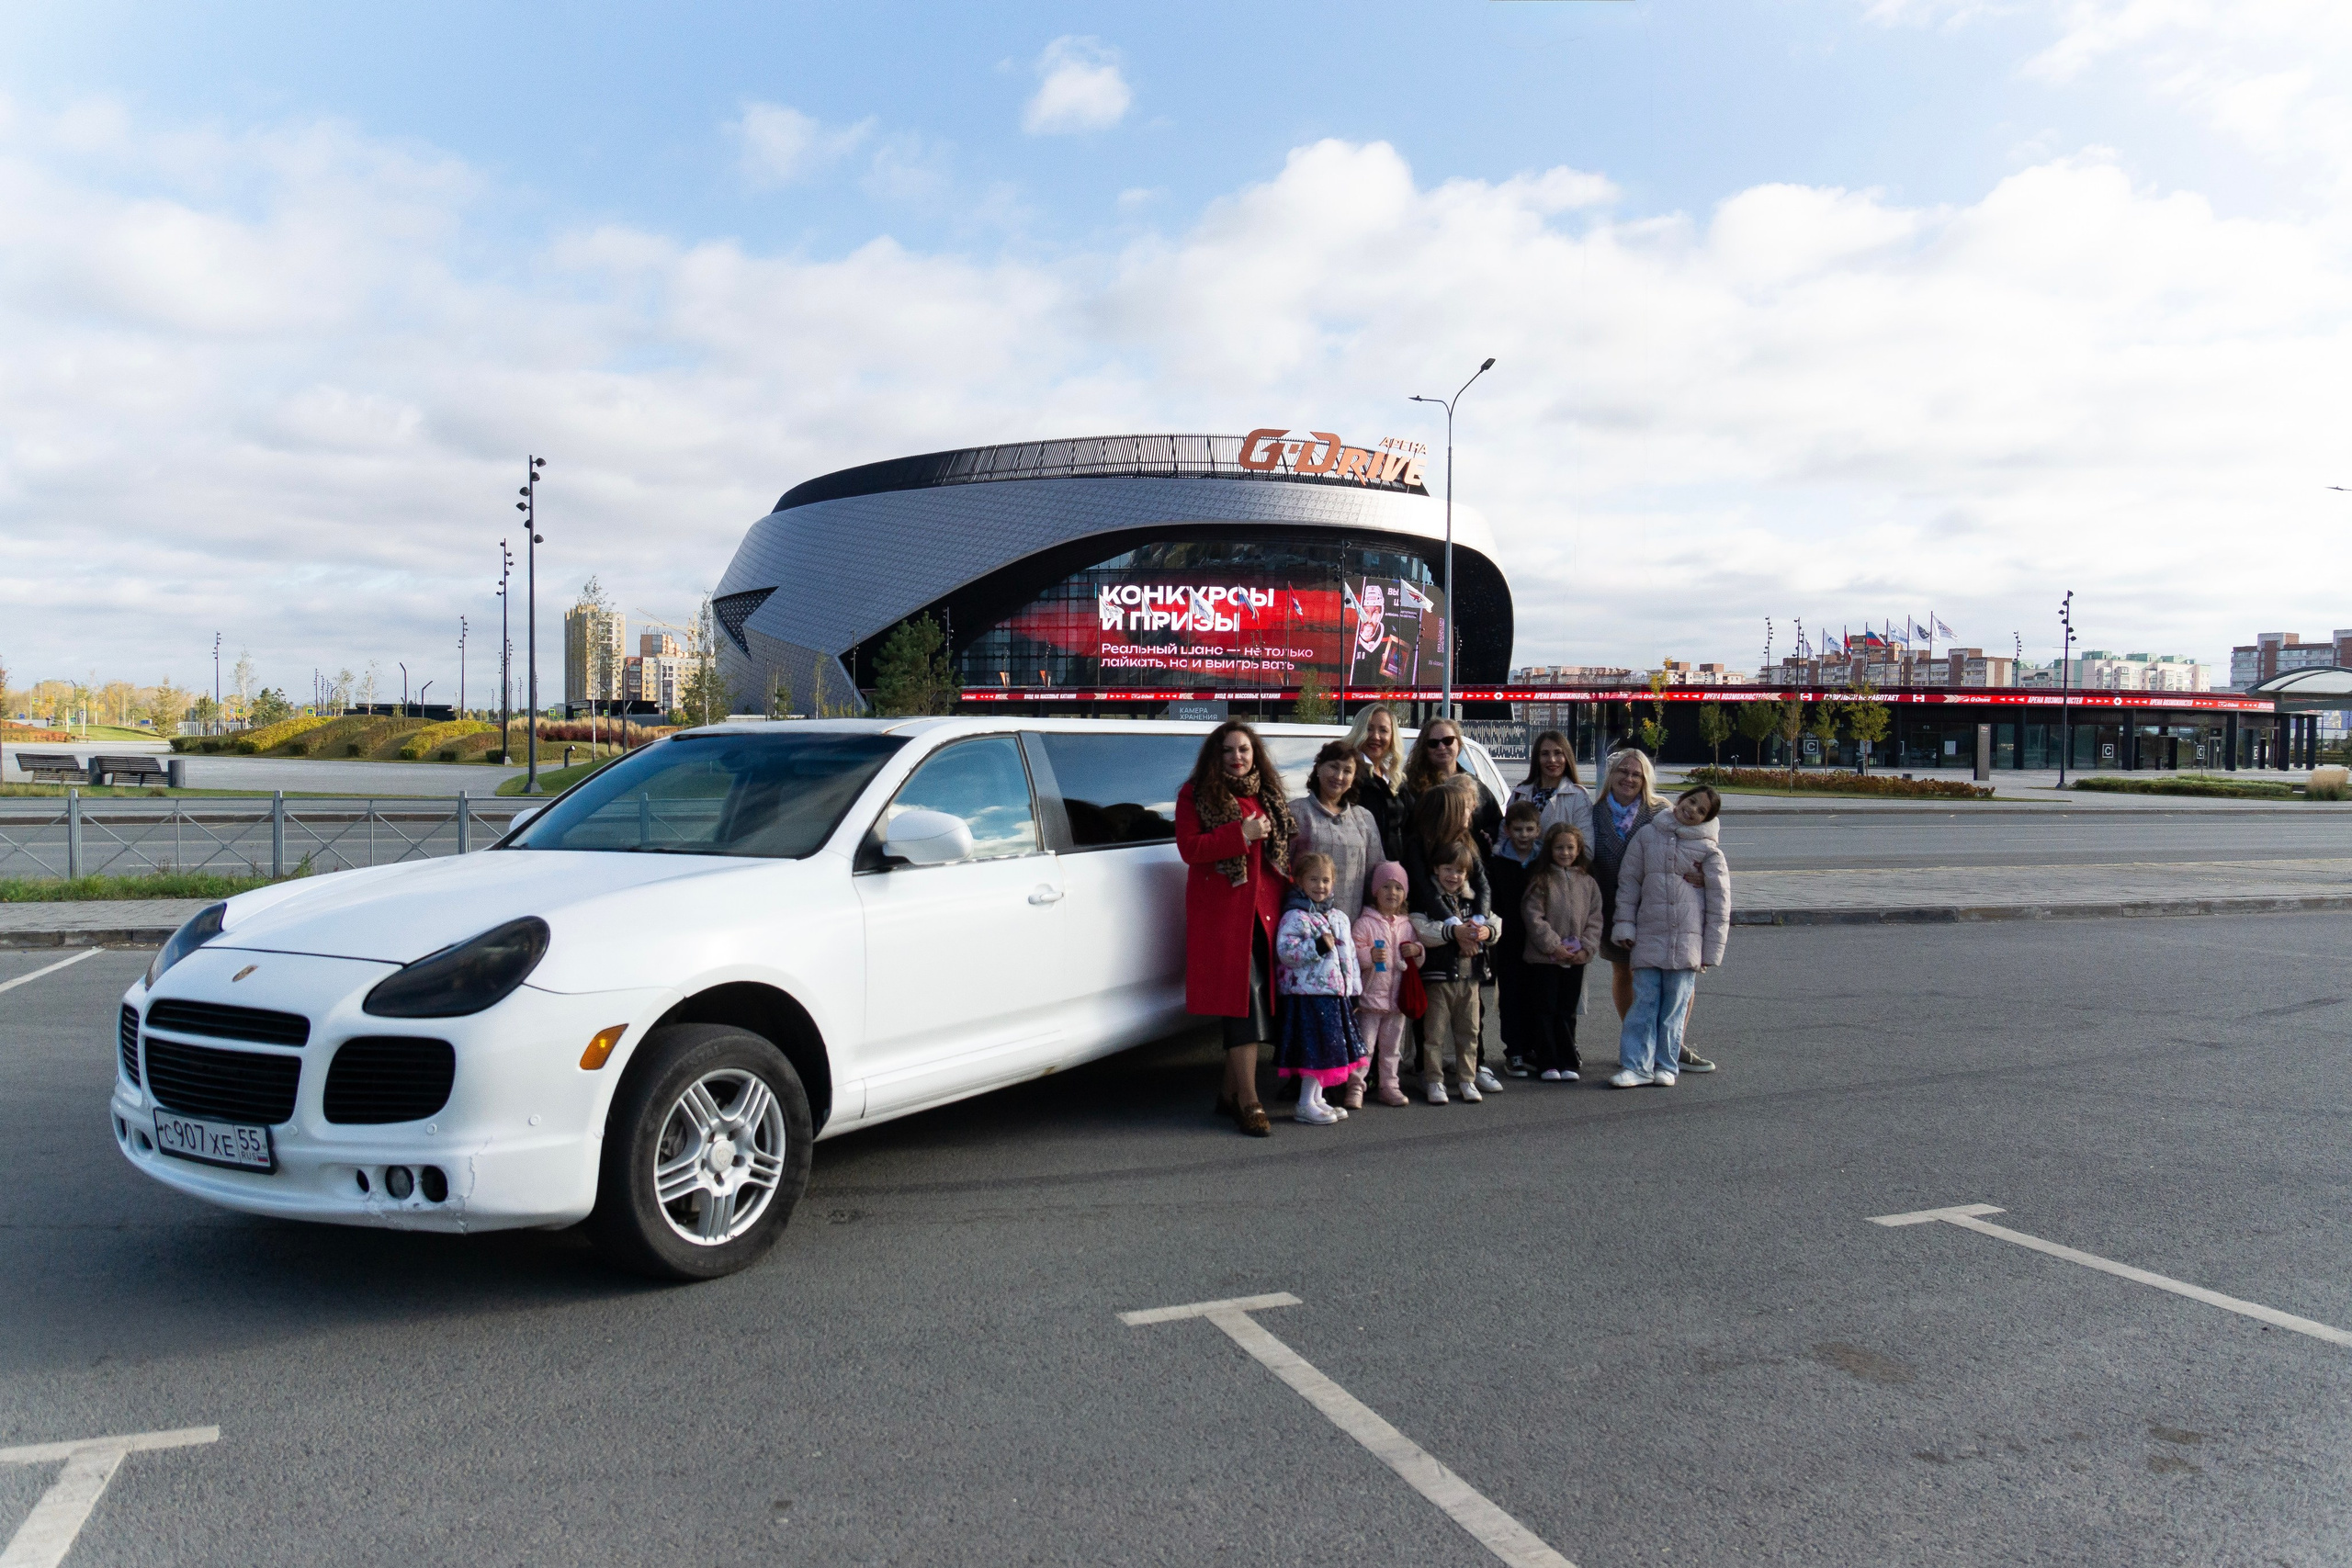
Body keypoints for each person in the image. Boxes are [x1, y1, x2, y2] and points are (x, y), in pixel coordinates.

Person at [1176, 719, 1295, 1136]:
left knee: (1259, 1000)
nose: (1237, 757)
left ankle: (1228, 1095)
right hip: (1225, 916)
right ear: (1215, 756)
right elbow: (1190, 850)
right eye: (1228, 750)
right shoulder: (1195, 795)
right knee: (1242, 1004)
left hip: (1267, 913)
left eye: (1244, 749)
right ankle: (1249, 1101)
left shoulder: (1269, 793)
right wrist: (1239, 833)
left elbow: (1284, 853)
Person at [1608, 784, 1730, 1089]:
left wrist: (1711, 951)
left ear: (1706, 819)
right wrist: (1624, 925)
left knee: (1675, 1005)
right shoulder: (1648, 835)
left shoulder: (1709, 850)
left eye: (1701, 810)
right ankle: (1636, 1065)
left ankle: (1666, 1064)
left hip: (1687, 942)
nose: (1692, 810)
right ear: (1680, 799)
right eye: (1691, 801)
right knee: (1644, 1003)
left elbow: (1720, 904)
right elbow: (1629, 883)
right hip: (1648, 935)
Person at [1400, 775, 1504, 1093]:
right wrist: (1455, 928)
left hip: (1467, 938)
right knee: (1431, 1017)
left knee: (1469, 1019)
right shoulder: (1417, 844)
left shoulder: (1466, 843)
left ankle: (1470, 1071)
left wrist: (1476, 923)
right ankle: (1428, 1073)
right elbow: (1423, 892)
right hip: (1433, 938)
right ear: (1446, 812)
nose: (1469, 816)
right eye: (1463, 810)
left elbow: (1483, 883)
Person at [1273, 852, 1369, 1124]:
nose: (1320, 885)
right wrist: (1316, 947)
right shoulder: (1295, 916)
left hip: (1334, 995)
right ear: (1300, 882)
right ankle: (1304, 1103)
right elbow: (1286, 952)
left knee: (1328, 1050)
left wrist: (1353, 989)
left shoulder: (1339, 917)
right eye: (1313, 879)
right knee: (1313, 1052)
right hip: (1307, 995)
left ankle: (1316, 1098)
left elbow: (1349, 956)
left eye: (1325, 880)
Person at [1521, 822, 1603, 1081]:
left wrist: (1587, 948)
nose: (1565, 853)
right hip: (1545, 959)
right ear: (1550, 850)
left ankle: (1568, 1060)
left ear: (1579, 850)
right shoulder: (1541, 880)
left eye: (1570, 847)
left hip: (1575, 959)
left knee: (1567, 1010)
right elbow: (1533, 916)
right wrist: (1553, 945)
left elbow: (1595, 918)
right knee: (1545, 1009)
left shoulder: (1588, 882)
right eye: (1559, 847)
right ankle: (1547, 1062)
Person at [1351, 862, 1423, 1107]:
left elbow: (1417, 958)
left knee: (1392, 1049)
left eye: (1398, 888)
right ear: (1375, 891)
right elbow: (1353, 953)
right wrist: (1368, 956)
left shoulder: (1407, 925)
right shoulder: (1365, 922)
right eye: (1386, 887)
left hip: (1397, 1001)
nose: (1392, 893)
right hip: (1371, 998)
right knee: (1366, 1047)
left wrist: (1417, 950)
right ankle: (1355, 1087)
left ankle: (1389, 1086)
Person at [1290, 739, 1385, 923]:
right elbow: (1280, 870)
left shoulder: (1364, 818)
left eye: (1347, 771)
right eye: (1333, 767)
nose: (1339, 776)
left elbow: (1375, 876)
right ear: (1318, 768)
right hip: (1304, 927)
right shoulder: (1296, 812)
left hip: (1351, 927)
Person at [1486, 799, 1545, 1078]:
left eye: (1529, 829)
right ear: (1507, 830)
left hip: (1538, 938)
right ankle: (1515, 1051)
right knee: (1510, 994)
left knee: (1537, 993)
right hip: (1507, 938)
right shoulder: (1497, 861)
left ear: (1538, 830)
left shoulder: (1543, 862)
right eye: (1518, 829)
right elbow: (1492, 900)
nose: (1523, 835)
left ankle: (1534, 1047)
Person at [1400, 716, 1503, 854]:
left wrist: (1488, 836)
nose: (1441, 747)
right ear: (1424, 748)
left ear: (1458, 744)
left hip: (1471, 865)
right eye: (1433, 743)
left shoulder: (1476, 785)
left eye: (1448, 741)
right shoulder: (1411, 786)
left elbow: (1497, 822)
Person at [1343, 704, 1408, 862]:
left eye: (1383, 730)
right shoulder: (1348, 777)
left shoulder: (1396, 780)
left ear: (1392, 736)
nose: (1376, 736)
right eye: (1369, 729)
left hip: (1394, 875)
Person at [1509, 728, 1595, 847]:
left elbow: (1586, 848)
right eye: (1545, 754)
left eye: (1558, 753)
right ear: (1537, 759)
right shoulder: (1519, 793)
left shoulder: (1578, 797)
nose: (1552, 760)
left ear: (1567, 757)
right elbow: (1504, 839)